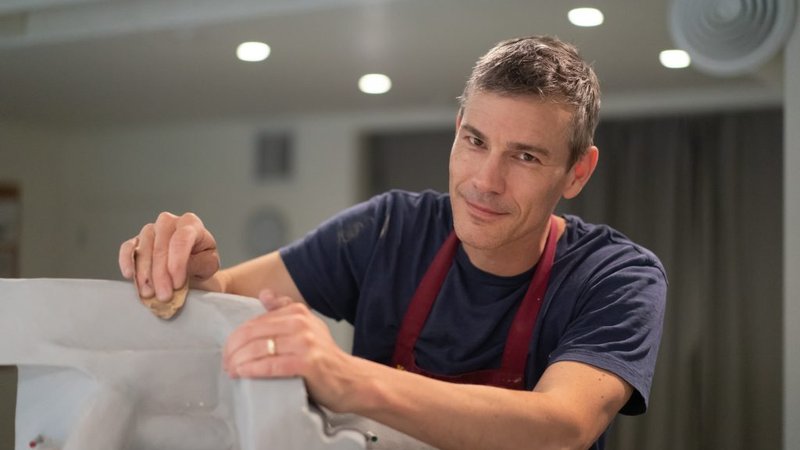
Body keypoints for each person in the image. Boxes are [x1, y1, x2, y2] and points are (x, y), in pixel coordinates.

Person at [119, 35, 667, 450]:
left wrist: (344, 378)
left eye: (525, 156)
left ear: (577, 172)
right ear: (457, 130)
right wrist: (189, 269)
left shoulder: (616, 277)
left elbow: (563, 427)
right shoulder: (390, 229)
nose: (485, 181)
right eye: (475, 141)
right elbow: (224, 297)